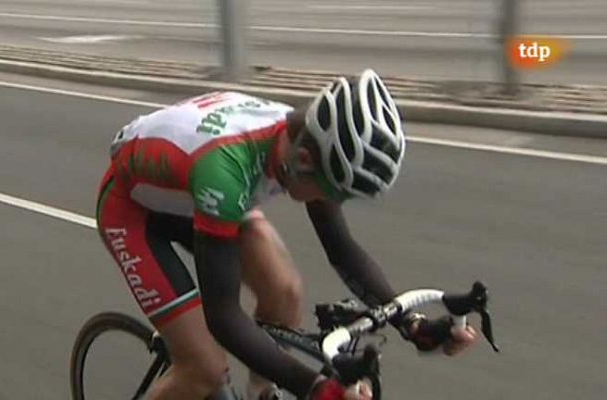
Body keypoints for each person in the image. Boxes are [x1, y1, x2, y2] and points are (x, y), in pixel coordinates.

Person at [95, 69, 477, 400]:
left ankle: (258, 395)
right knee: (204, 369)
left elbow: (341, 249)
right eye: (334, 192)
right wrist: (313, 387)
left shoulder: (304, 140)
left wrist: (411, 324)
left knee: (285, 292)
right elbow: (224, 317)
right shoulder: (227, 170)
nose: (333, 202)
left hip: (201, 194)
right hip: (135, 213)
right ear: (306, 160)